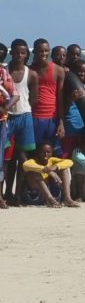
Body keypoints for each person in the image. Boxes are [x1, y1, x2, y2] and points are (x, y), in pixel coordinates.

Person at [5, 39, 37, 205]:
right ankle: (6, 193)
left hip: (25, 116)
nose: (19, 55)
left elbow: (34, 98)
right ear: (11, 53)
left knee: (23, 158)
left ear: (27, 55)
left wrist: (25, 108)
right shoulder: (4, 71)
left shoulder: (31, 74)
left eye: (23, 52)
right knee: (7, 159)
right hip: (7, 118)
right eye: (16, 52)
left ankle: (18, 194)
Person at [31, 38, 66, 155]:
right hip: (34, 117)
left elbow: (60, 98)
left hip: (52, 118)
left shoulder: (58, 70)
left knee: (54, 153)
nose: (44, 54)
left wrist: (61, 123)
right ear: (34, 52)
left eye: (46, 51)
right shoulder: (30, 70)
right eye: (40, 51)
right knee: (35, 153)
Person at [22, 141, 77, 208]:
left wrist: (56, 167)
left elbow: (70, 162)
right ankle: (50, 199)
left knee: (64, 169)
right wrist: (47, 171)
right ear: (38, 153)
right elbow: (25, 165)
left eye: (48, 152)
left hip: (53, 194)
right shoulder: (33, 161)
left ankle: (67, 198)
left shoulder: (51, 160)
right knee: (34, 172)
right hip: (35, 196)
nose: (46, 154)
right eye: (43, 152)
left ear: (52, 153)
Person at [0, 55, 18, 208]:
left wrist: (5, 107)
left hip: (1, 122)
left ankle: (0, 196)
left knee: (0, 162)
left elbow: (15, 95)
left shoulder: (3, 73)